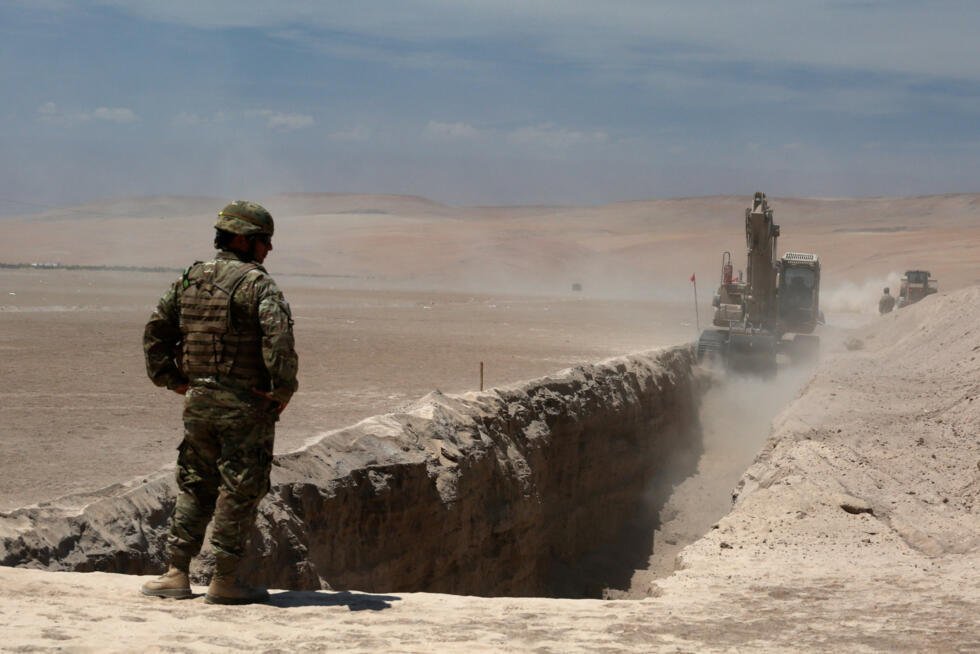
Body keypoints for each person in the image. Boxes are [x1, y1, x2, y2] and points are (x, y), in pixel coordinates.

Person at [141, 201, 298, 604]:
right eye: (264, 240)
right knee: (239, 489)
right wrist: (281, 390)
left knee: (195, 482)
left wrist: (172, 380)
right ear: (243, 240)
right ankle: (225, 580)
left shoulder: (189, 279)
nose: (269, 249)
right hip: (245, 405)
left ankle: (176, 573)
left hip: (198, 402)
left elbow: (156, 331)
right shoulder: (258, 285)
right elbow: (278, 340)